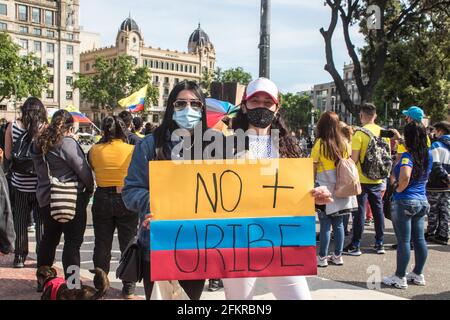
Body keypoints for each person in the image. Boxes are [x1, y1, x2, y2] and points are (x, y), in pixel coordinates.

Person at [222, 77, 333, 300]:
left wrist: (317, 194)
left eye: (267, 102)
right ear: (244, 106)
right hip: (238, 240)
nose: (262, 107)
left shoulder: (289, 147)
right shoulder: (225, 145)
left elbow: (299, 189)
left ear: (277, 108)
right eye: (256, 102)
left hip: (282, 240)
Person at [122, 81, 212, 300]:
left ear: (202, 109)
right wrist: (155, 202)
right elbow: (130, 191)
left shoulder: (213, 146)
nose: (188, 109)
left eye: (195, 104)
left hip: (197, 246)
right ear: (171, 107)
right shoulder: (150, 145)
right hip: (157, 245)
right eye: (181, 103)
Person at [32, 110, 94, 284]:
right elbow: (84, 171)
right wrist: (89, 189)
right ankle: (73, 283)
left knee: (49, 239)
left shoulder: (38, 142)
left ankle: (42, 280)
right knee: (72, 243)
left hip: (46, 197)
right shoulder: (67, 143)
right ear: (70, 126)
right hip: (70, 198)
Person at [88, 116, 139, 299]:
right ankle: (129, 288)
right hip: (126, 198)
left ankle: (101, 285)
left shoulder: (94, 150)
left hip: (101, 197)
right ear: (123, 130)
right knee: (128, 243)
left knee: (102, 244)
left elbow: (93, 169)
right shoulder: (132, 150)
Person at [383, 121, 432, 289]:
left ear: (410, 138)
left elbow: (405, 177)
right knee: (419, 240)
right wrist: (400, 139)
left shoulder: (407, 157)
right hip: (421, 200)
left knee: (404, 240)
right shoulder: (428, 155)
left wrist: (396, 187)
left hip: (405, 200)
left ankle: (399, 276)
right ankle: (418, 273)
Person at [4, 97, 48, 268]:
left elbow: (8, 155)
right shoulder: (44, 128)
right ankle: (42, 258)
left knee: (21, 221)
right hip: (40, 185)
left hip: (19, 183)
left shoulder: (12, 126)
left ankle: (20, 257)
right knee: (41, 223)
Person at [313, 113, 357, 268]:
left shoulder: (320, 144)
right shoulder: (345, 143)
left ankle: (322, 257)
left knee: (325, 225)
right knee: (339, 225)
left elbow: (313, 166)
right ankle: (338, 256)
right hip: (342, 188)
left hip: (324, 189)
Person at [344, 103, 389, 256]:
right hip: (378, 178)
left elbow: (354, 159)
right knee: (378, 211)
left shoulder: (359, 133)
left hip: (361, 178)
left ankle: (356, 244)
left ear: (361, 115)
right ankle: (379, 243)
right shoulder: (383, 132)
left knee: (360, 212)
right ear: (375, 116)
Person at [425, 121, 450, 245]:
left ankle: (430, 233)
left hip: (435, 185)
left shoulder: (436, 145)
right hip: (447, 186)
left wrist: (445, 177)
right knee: (445, 211)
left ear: (440, 131)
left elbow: (436, 165)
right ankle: (443, 235)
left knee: (433, 210)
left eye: (435, 131)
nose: (434, 133)